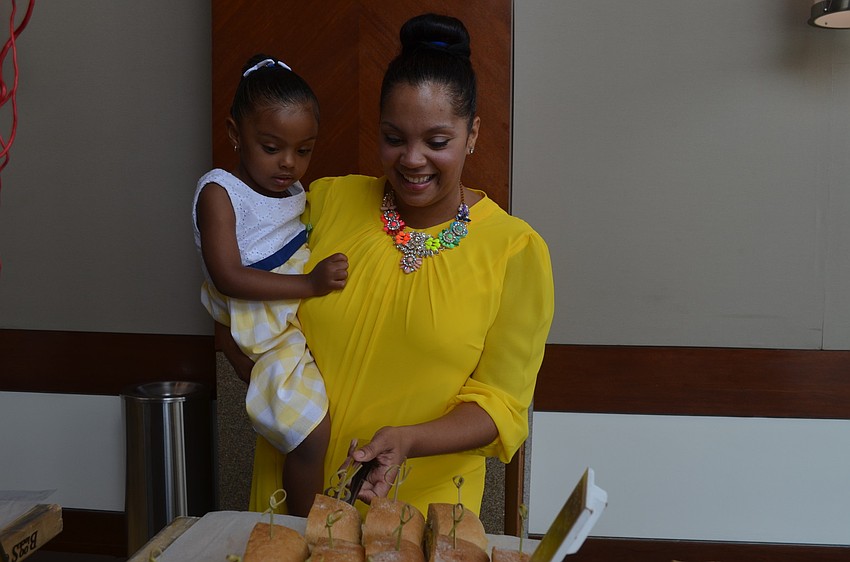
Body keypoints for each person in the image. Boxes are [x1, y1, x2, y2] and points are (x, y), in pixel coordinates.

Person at [221, 14, 554, 517]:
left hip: (414, 512)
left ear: (472, 134)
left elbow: (502, 407)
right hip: (289, 498)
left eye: (436, 142)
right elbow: (234, 297)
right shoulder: (327, 202)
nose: (412, 159)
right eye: (394, 138)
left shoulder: (513, 251)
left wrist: (408, 441)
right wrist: (278, 398)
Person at [192, 54, 348, 516]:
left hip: (286, 322)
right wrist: (311, 285)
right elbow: (227, 276)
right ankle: (306, 526)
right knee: (312, 435)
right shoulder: (220, 192)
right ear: (235, 134)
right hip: (267, 327)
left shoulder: (292, 193)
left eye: (304, 150)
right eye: (271, 147)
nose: (289, 163)